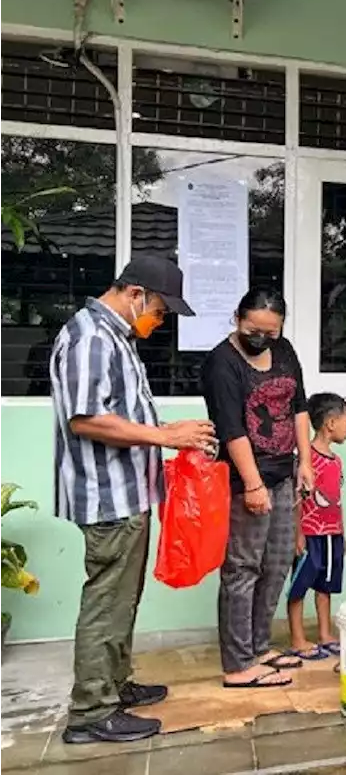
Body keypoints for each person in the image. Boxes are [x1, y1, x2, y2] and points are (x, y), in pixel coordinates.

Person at [50, 256, 218, 744]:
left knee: (123, 600)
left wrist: (169, 433)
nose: (160, 321)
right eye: (161, 311)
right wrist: (166, 438)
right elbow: (87, 420)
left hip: (128, 494)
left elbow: (120, 415)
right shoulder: (91, 338)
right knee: (107, 602)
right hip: (108, 497)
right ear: (135, 294)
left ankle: (113, 687)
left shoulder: (115, 338)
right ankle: (90, 713)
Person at [201, 288, 314, 689]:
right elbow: (231, 428)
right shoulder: (222, 363)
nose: (262, 339)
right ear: (237, 318)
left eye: (271, 331)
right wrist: (252, 484)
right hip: (246, 479)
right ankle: (237, 664)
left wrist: (305, 462)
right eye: (254, 329)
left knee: (279, 561)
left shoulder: (284, 351)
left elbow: (300, 407)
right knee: (243, 569)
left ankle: (260, 646)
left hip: (285, 473)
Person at [287, 393, 346, 659]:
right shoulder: (306, 459)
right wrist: (298, 533)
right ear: (331, 422)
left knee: (326, 586)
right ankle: (297, 639)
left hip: (331, 534)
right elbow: (297, 498)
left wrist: (342, 532)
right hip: (310, 534)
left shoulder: (336, 461)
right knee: (299, 586)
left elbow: (337, 499)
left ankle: (325, 633)